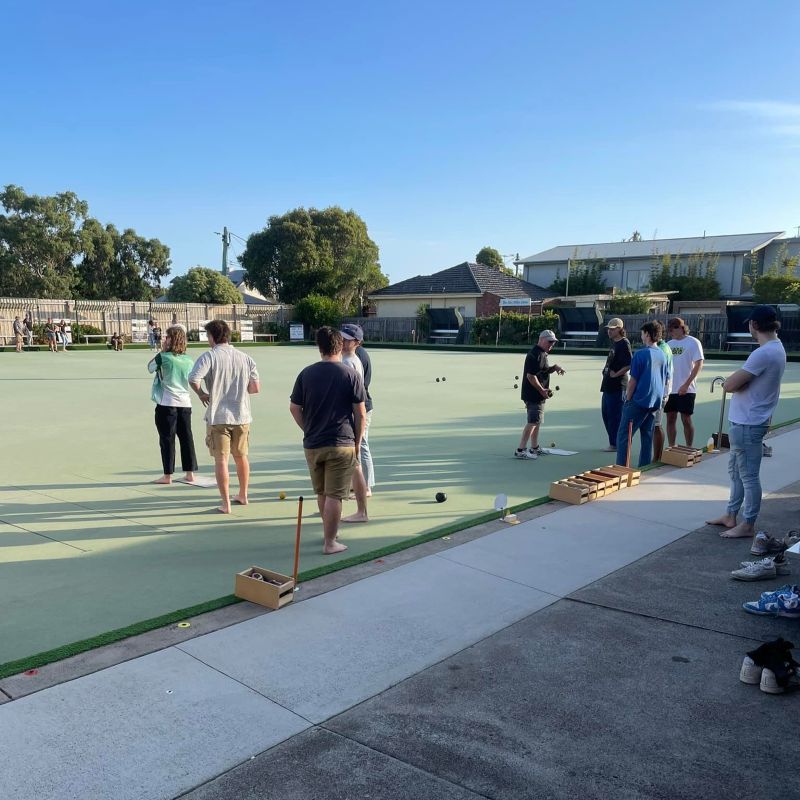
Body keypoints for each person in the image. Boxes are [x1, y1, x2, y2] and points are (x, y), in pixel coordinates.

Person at [706, 305, 786, 541]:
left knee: (748, 475)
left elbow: (730, 385)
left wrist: (731, 381)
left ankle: (748, 523)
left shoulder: (763, 353)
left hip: (748, 423)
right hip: (748, 421)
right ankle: (731, 514)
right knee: (737, 472)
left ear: (754, 325)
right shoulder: (776, 348)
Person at [289, 326, 367, 554]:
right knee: (335, 495)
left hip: (313, 443)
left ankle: (329, 534)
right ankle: (330, 542)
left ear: (319, 347)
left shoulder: (306, 373)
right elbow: (360, 413)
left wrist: (308, 428)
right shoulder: (350, 374)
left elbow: (294, 408)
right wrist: (357, 441)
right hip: (341, 442)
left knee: (322, 492)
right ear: (340, 345)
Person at [188, 320, 260, 514]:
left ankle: (225, 502)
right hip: (242, 414)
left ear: (212, 336)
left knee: (221, 460)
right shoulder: (245, 357)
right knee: (241, 457)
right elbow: (255, 388)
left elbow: (193, 378)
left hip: (218, 416)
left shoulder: (209, 357)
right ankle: (243, 494)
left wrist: (202, 393)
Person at [615, 321, 669, 468]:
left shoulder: (640, 354)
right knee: (647, 435)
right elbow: (665, 378)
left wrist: (628, 398)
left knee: (624, 436)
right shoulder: (663, 355)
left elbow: (633, 380)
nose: (641, 336)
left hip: (638, 401)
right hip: (654, 402)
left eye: (642, 333)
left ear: (647, 334)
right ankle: (644, 468)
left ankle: (621, 468)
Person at [149, 326, 198, 485]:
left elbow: (149, 367)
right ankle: (190, 473)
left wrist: (162, 351)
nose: (164, 340)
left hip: (166, 404)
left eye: (167, 337)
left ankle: (167, 475)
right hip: (185, 403)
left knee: (167, 439)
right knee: (186, 438)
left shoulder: (163, 357)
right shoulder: (189, 360)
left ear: (172, 340)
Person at [515, 329, 565, 459]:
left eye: (553, 342)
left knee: (536, 421)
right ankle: (521, 450)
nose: (551, 345)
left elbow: (543, 371)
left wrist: (555, 367)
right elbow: (531, 376)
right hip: (533, 394)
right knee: (532, 422)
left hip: (537, 394)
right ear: (541, 340)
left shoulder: (541, 354)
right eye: (549, 342)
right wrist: (541, 390)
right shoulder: (536, 354)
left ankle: (535, 447)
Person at [339, 324, 370, 523]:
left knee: (354, 461)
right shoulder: (347, 359)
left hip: (349, 418)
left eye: (347, 339)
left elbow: (355, 396)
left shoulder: (351, 362)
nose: (342, 341)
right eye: (341, 338)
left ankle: (361, 511)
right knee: (350, 463)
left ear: (356, 343)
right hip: (348, 417)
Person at [665, 317, 705, 448]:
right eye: (670, 328)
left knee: (686, 419)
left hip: (687, 389)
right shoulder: (668, 345)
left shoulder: (693, 342)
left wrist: (686, 385)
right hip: (670, 389)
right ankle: (671, 447)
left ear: (682, 328)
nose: (671, 331)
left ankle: (689, 447)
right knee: (670, 419)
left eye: (674, 328)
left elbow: (699, 364)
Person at [600, 318, 632, 452]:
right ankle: (613, 442)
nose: (609, 331)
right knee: (606, 414)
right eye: (609, 329)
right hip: (608, 384)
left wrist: (616, 374)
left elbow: (629, 364)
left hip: (618, 386)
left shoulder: (624, 343)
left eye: (612, 329)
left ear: (619, 329)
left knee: (615, 416)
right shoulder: (614, 343)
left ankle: (617, 444)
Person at [353, 328, 376, 495]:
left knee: (362, 444)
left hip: (362, 405)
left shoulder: (358, 356)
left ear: (357, 341)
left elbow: (359, 386)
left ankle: (367, 485)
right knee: (358, 445)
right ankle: (358, 483)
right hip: (358, 404)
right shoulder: (356, 354)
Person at [652, 333, 674, 461]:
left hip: (660, 391)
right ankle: (656, 456)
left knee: (656, 425)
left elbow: (662, 373)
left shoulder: (662, 349)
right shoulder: (663, 346)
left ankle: (657, 457)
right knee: (655, 425)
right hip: (661, 390)